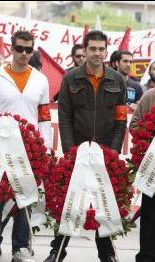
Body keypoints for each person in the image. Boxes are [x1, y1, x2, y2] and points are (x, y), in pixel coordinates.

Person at [44, 30, 127, 262]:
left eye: (101, 49)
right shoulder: (70, 78)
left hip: (105, 155)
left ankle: (107, 254)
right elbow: (65, 118)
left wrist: (112, 152)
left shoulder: (117, 80)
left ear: (106, 50)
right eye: (93, 49)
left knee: (103, 203)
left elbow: (121, 122)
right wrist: (71, 152)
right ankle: (56, 251)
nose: (97, 53)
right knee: (70, 203)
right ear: (85, 49)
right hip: (77, 153)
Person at [0, 30, 52, 262]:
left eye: (29, 50)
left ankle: (20, 248)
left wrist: (45, 146)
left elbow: (44, 117)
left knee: (25, 197)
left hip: (30, 150)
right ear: (11, 48)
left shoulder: (41, 80)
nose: (24, 54)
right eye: (19, 48)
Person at [129, 88, 155, 262]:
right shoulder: (151, 95)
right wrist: (150, 137)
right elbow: (135, 124)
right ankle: (146, 257)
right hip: (153, 167)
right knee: (150, 216)